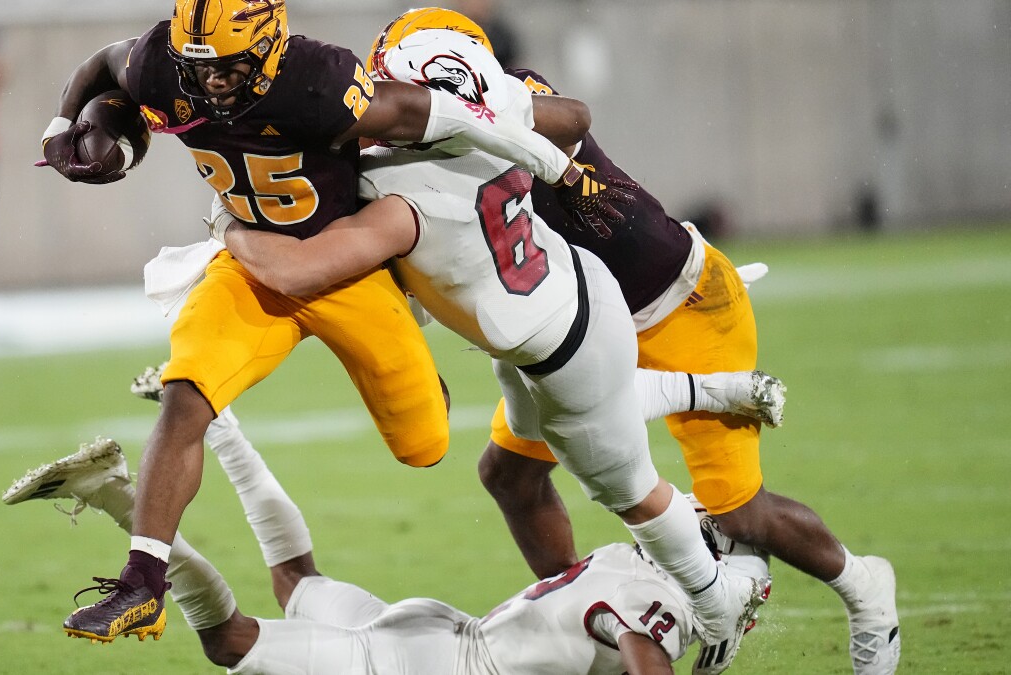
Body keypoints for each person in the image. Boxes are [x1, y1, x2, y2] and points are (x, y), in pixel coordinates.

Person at [38, 0, 641, 647]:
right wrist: (58, 127)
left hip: (342, 269)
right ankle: (142, 581)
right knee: (187, 395)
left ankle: (416, 356)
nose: (210, 81)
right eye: (198, 65)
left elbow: (424, 113)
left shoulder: (319, 81)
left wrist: (558, 161)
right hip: (249, 270)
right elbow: (103, 64)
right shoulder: (165, 63)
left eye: (229, 66)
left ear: (268, 48)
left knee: (424, 443)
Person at [208, 24, 768, 674]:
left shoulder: (403, 200)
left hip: (564, 346)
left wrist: (227, 219)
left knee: (633, 489)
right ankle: (633, 582)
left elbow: (299, 271)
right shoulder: (489, 112)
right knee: (509, 472)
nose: (376, 98)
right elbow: (571, 116)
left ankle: (719, 596)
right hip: (566, 300)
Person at [366, 10, 899, 674]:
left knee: (739, 512)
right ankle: (594, 606)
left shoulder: (509, 98)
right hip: (583, 325)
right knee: (510, 475)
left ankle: (863, 585)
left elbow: (566, 117)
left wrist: (476, 109)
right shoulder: (424, 137)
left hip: (679, 305)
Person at [3, 391, 773, 674]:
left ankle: (225, 426)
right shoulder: (658, 599)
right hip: (435, 660)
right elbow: (644, 650)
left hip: (442, 627)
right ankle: (108, 492)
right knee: (229, 641)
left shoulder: (624, 560)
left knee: (295, 581)